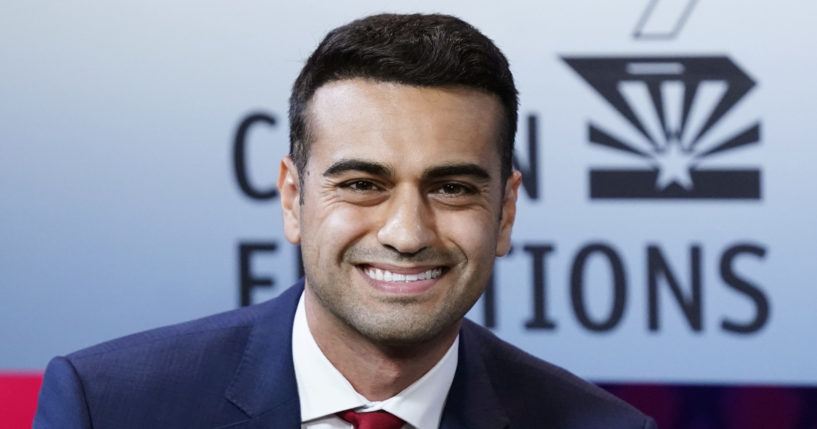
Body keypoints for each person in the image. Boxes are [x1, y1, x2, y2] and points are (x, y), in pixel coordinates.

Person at [34, 13, 657, 429]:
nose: (407, 233)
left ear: (505, 212)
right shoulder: (110, 405)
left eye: (452, 188)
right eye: (362, 184)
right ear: (291, 198)